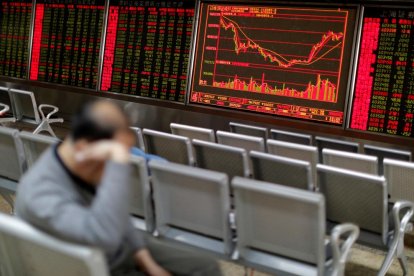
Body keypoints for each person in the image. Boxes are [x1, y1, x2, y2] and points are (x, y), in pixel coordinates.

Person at [15, 100, 221, 276]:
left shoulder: (74, 163)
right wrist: (117, 165)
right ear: (83, 148)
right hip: (94, 264)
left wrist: (144, 258)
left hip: (116, 250)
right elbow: (104, 236)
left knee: (205, 266)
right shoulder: (41, 193)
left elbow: (118, 217)